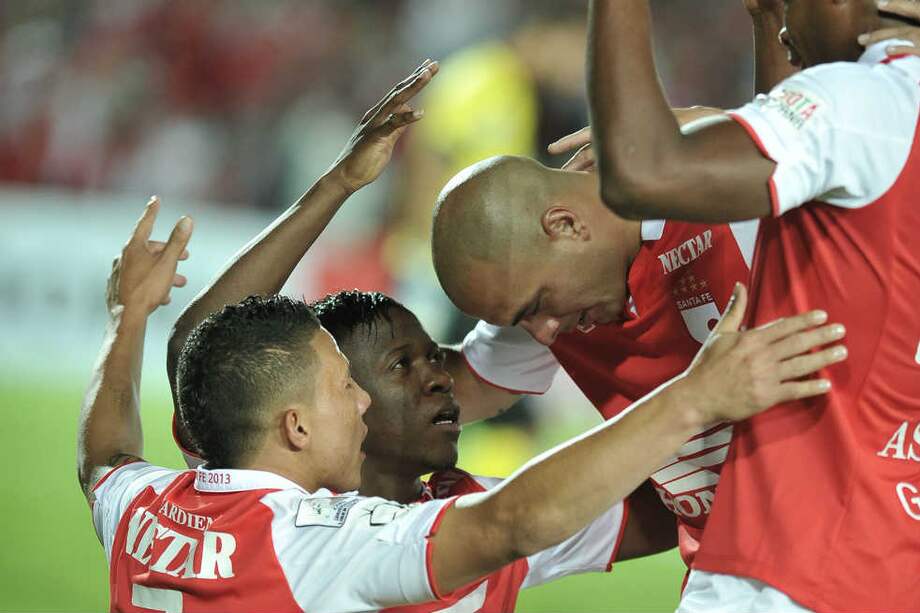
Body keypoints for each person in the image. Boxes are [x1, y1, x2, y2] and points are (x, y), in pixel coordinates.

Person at [77, 193, 844, 611]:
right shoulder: (331, 542)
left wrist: (128, 320)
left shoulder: (159, 502)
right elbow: (515, 521)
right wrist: (695, 395)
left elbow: (109, 446)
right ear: (297, 424)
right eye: (352, 381)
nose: (439, 379)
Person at [428, 1, 920, 578]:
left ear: (565, 225)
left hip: (853, 549)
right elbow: (435, 398)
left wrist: (738, 81)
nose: (542, 332)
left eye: (535, 308)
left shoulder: (730, 202)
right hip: (738, 573)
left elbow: (764, 156)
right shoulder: (553, 305)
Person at [163, 63, 675, 611]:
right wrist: (340, 185)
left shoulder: (483, 513)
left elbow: (678, 506)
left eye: (435, 358)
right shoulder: (275, 500)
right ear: (333, 400)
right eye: (400, 366)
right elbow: (196, 348)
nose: (437, 378)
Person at [579, 0, 920, 610]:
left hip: (790, 572)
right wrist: (745, 120)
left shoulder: (864, 102)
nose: (785, 27)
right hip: (887, 561)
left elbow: (641, 170)